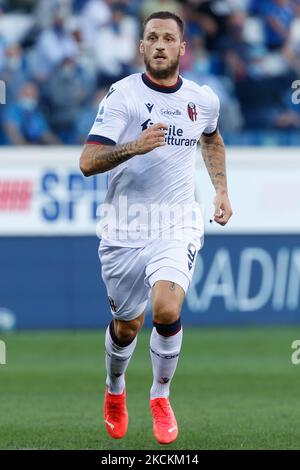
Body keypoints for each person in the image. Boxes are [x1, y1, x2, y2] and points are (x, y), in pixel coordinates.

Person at [79, 10, 232, 445]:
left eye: (169, 38)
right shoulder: (122, 97)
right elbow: (88, 163)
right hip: (125, 227)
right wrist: (134, 146)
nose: (161, 44)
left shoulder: (203, 99)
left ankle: (160, 396)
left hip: (177, 221)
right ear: (141, 47)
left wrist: (221, 189)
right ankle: (114, 390)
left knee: (166, 309)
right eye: (152, 37)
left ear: (183, 49)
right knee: (127, 325)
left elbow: (211, 137)